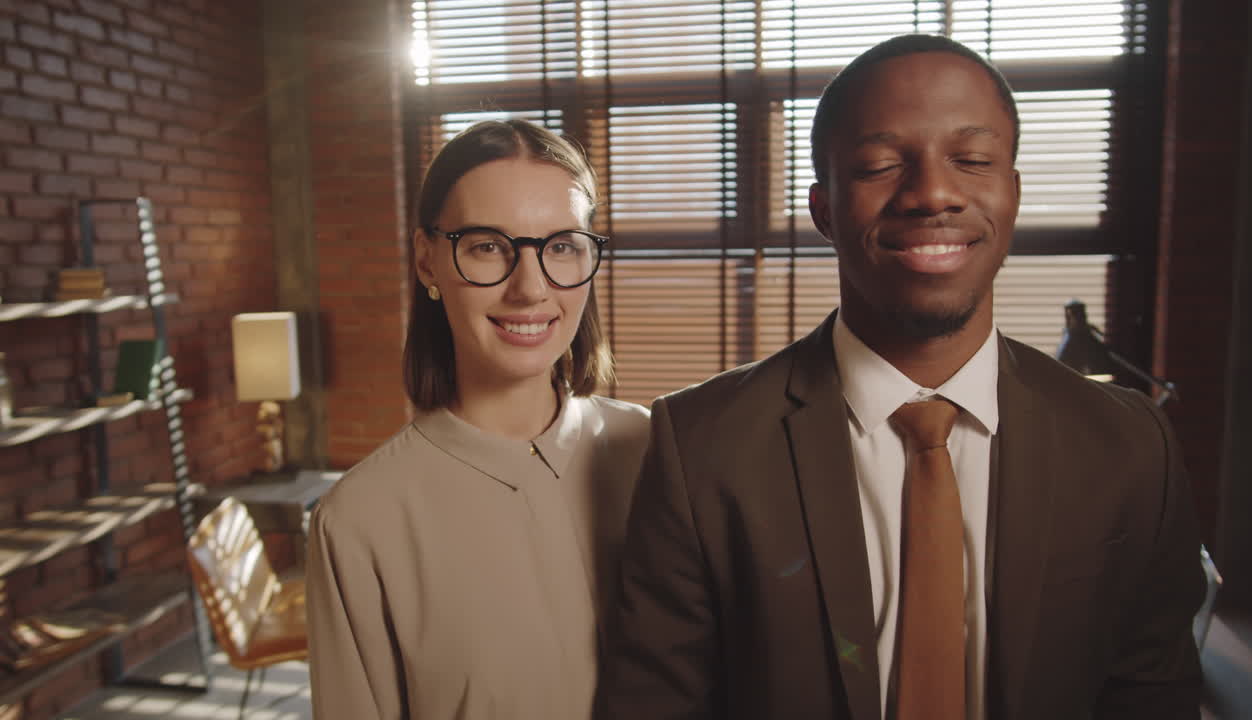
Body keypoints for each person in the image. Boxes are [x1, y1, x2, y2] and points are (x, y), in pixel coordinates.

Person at [596, 34, 1204, 720]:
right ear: (823, 208)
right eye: (881, 165)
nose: (933, 193)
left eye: (971, 160)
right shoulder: (701, 446)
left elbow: (1153, 695)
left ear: (1012, 193)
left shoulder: (1129, 446)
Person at [307, 119, 650, 719]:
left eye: (562, 245)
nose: (530, 288)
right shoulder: (359, 521)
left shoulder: (658, 451)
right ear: (427, 262)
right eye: (488, 245)